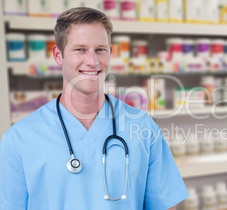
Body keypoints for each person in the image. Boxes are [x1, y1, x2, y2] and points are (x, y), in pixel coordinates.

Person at [0, 7, 188, 210]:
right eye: (80, 49)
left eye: (100, 49)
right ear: (58, 55)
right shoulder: (20, 138)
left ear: (110, 53)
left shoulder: (142, 127)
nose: (92, 61)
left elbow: (165, 206)